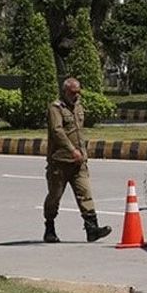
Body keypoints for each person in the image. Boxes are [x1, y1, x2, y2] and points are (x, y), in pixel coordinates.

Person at [42, 78, 112, 243]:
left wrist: (81, 152)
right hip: (60, 162)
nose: (76, 95)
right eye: (73, 92)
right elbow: (57, 131)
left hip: (79, 161)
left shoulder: (79, 106)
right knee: (55, 196)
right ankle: (49, 228)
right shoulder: (56, 108)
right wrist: (71, 149)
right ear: (65, 91)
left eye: (78, 92)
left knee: (85, 193)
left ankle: (92, 229)